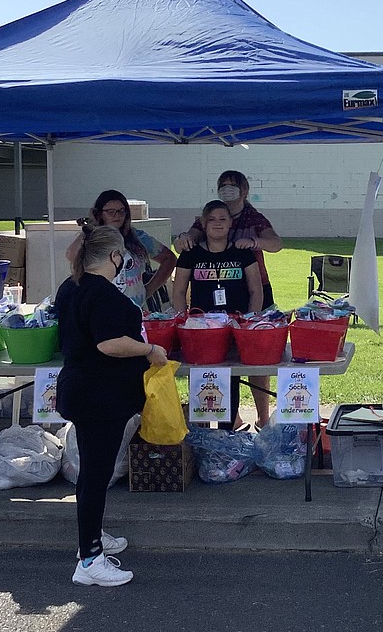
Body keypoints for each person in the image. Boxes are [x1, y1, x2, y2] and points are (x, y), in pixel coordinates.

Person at [56, 223, 168, 587]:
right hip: (98, 396)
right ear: (114, 257)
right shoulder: (104, 295)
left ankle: (92, 535)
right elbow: (109, 343)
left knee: (92, 472)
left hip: (84, 390)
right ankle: (89, 560)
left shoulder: (70, 287)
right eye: (122, 256)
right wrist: (149, 350)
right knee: (96, 474)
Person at [174, 171, 282, 428]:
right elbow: (183, 255)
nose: (228, 190)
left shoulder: (253, 217)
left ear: (245, 190)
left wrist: (254, 242)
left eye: (234, 187)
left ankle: (260, 417)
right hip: (204, 320)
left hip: (246, 299)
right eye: (224, 186)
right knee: (205, 374)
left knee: (250, 364)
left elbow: (276, 244)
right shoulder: (203, 225)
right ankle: (218, 426)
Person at [66, 190, 176, 313]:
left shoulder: (137, 237)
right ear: (100, 214)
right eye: (110, 212)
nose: (117, 216)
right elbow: (72, 255)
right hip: (102, 307)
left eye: (121, 211)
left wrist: (149, 289)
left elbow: (169, 258)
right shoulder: (92, 238)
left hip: (134, 307)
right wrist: (90, 225)